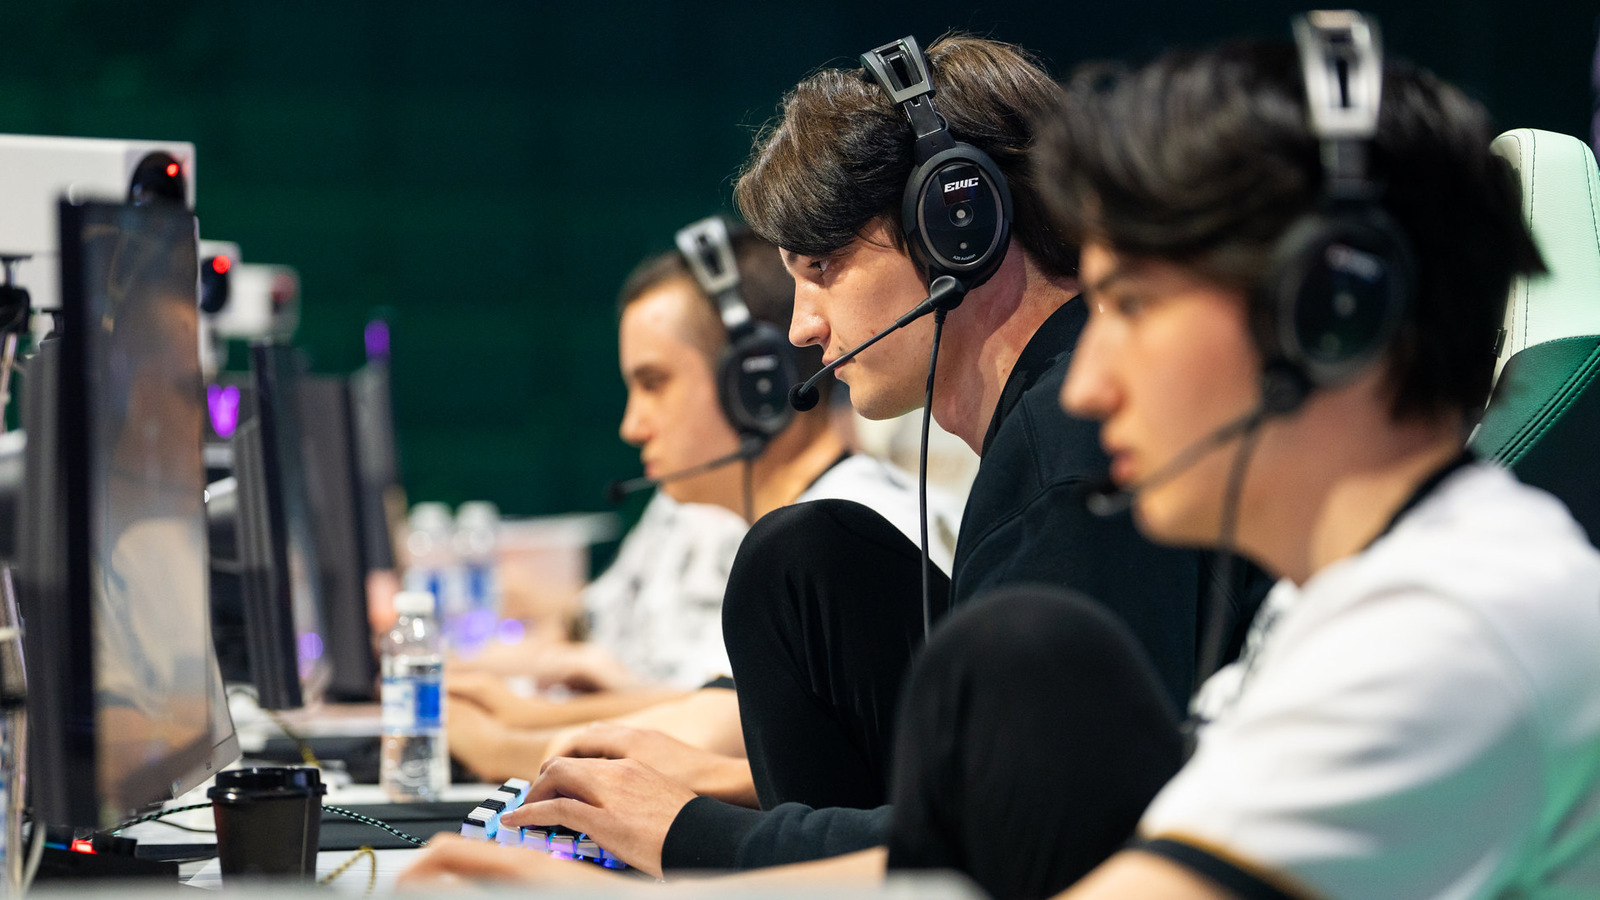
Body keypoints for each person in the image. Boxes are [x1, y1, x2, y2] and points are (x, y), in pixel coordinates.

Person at [403, 33, 1264, 883]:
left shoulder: (1069, 448)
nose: (801, 328)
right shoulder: (1039, 435)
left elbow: (1047, 835)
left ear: (956, 227)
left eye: (823, 267)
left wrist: (691, 836)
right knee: (804, 565)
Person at [883, 19, 1600, 900]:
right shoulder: (1322, 603)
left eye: (1131, 307)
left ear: (1329, 313)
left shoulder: (1451, 635)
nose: (1087, 387)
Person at [447, 220, 962, 783]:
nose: (632, 426)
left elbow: (724, 727)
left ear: (756, 383)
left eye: (653, 383)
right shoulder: (761, 523)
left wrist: (498, 742)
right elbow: (714, 702)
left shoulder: (851, 527)